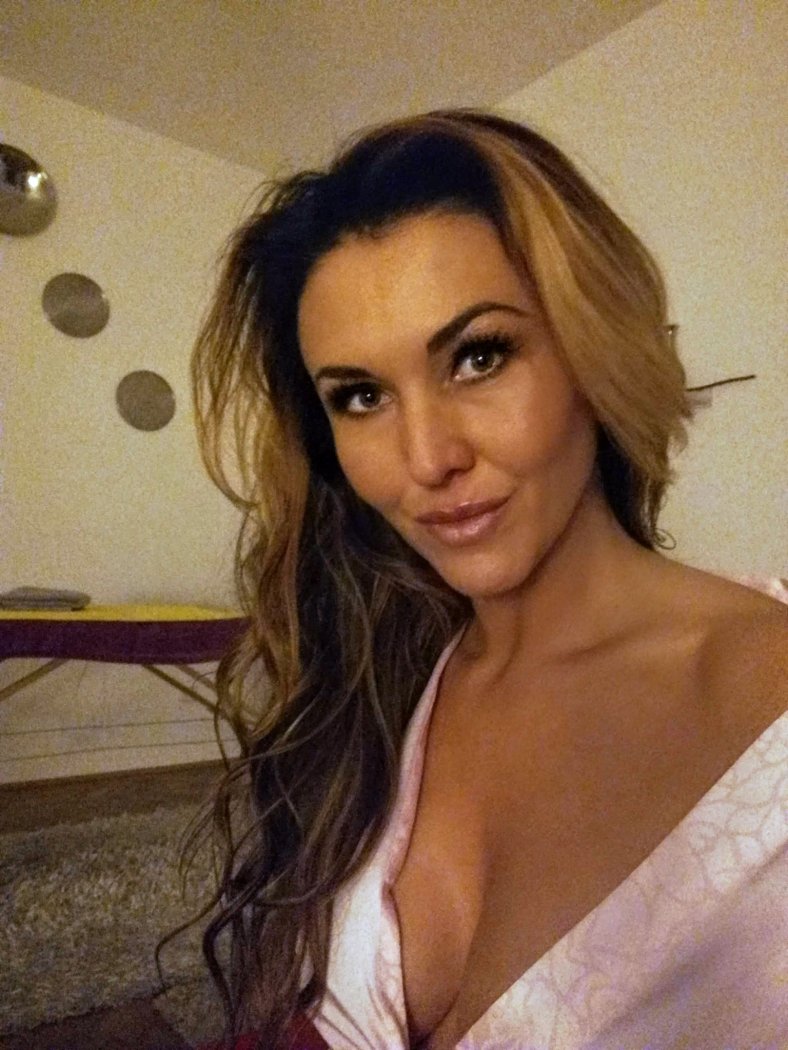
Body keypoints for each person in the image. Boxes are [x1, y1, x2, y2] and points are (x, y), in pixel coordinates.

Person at [191, 110, 787, 1050]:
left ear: (594, 350)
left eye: (479, 356)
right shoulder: (377, 678)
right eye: (361, 396)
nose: (426, 458)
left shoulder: (767, 693)